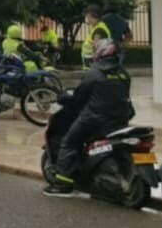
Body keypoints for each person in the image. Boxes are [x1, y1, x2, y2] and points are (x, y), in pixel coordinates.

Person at [43, 37, 134, 197]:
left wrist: (65, 98)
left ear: (99, 53)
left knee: (68, 142)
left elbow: (78, 98)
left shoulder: (94, 73)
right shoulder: (123, 74)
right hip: (120, 119)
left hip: (94, 119)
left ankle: (63, 185)